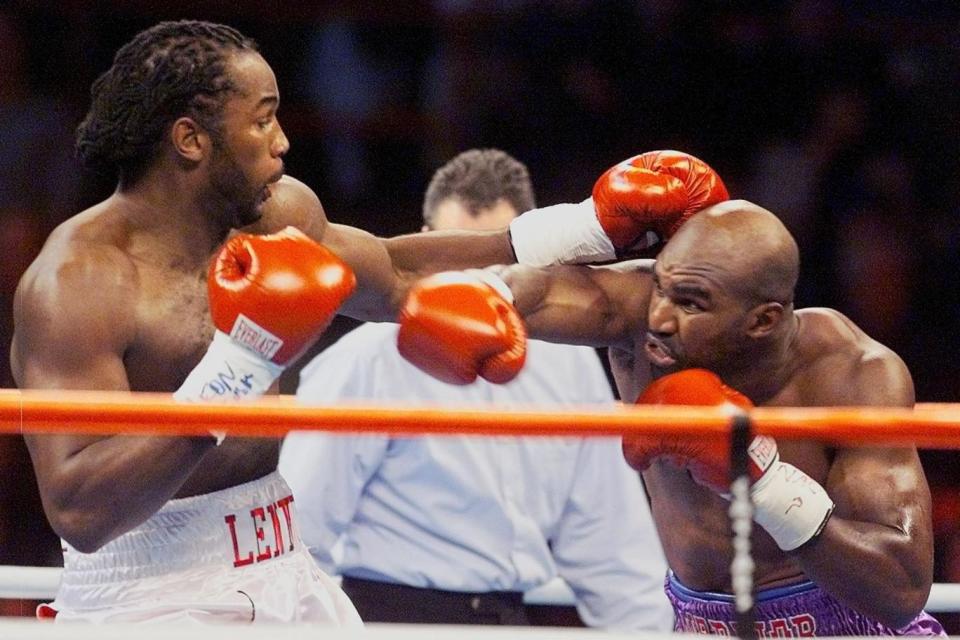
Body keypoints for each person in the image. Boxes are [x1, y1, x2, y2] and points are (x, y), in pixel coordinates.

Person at [9, 20, 529, 625]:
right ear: (190, 139)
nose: (282, 141)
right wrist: (238, 366)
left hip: (282, 561)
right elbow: (79, 510)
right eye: (262, 120)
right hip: (149, 597)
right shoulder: (79, 283)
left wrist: (571, 233)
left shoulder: (274, 217)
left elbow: (392, 270)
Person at [396, 197, 945, 635]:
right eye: (659, 286)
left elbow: (900, 591)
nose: (658, 317)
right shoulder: (642, 324)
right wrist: (490, 290)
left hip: (846, 626)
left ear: (763, 320)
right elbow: (524, 289)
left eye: (690, 303)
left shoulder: (851, 373)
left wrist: (764, 483)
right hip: (697, 622)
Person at [279, 148, 673, 630]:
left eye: (495, 267)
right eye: (456, 261)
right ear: (425, 249)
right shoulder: (366, 361)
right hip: (394, 615)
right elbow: (303, 530)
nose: (477, 287)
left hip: (515, 617)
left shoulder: (568, 364)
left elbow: (610, 542)